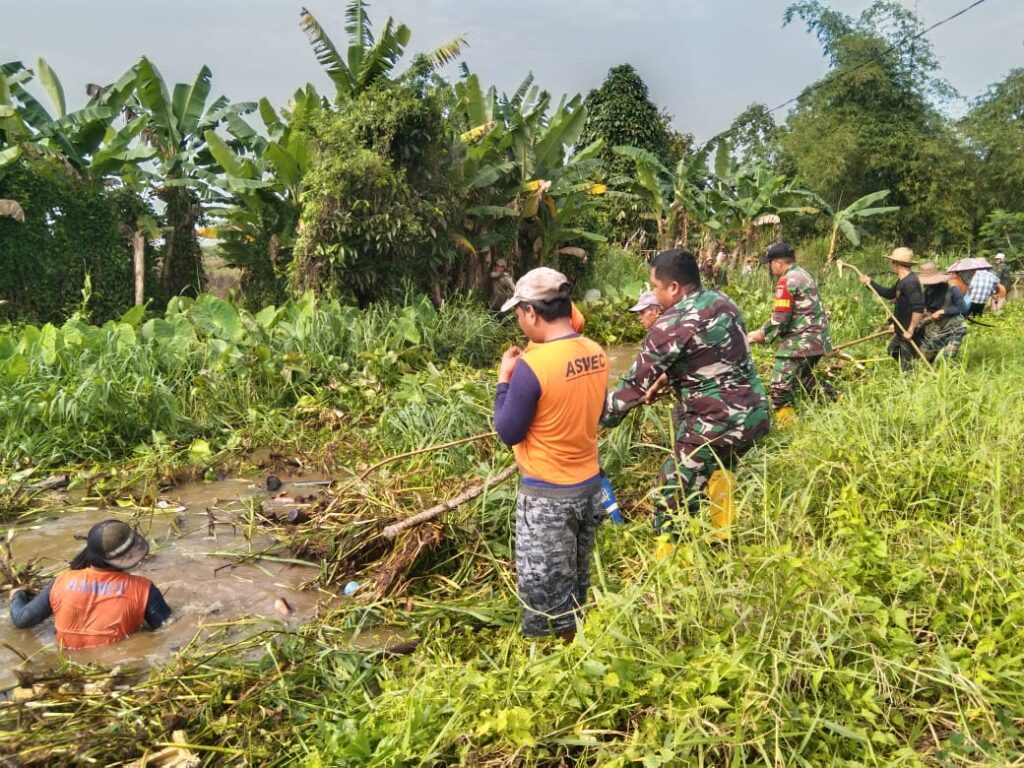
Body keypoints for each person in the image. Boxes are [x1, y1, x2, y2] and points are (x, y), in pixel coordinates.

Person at [602, 249, 770, 554]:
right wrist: (666, 378)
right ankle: (723, 542)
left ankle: (671, 571)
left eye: (655, 286)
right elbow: (718, 355)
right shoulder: (724, 302)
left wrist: (595, 415)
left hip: (715, 425)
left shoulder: (669, 324)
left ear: (674, 288)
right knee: (722, 470)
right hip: (755, 415)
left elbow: (630, 388)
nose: (653, 293)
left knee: (671, 492)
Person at [493, 267, 608, 641]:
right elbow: (600, 411)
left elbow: (508, 432)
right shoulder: (595, 352)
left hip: (547, 499)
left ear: (531, 312)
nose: (519, 321)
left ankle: (551, 666)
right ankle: (577, 647)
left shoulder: (533, 366)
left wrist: (503, 379)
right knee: (575, 579)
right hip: (588, 488)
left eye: (518, 313)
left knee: (543, 594)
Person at [9, 520, 171, 650]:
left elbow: (22, 620)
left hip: (64, 661)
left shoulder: (61, 581)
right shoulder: (144, 589)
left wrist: (17, 595)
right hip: (116, 662)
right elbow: (167, 629)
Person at [746, 242, 833, 425]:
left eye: (770, 263)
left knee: (779, 388)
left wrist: (759, 334)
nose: (770, 267)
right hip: (819, 339)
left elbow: (780, 319)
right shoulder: (804, 274)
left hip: (801, 341)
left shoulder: (786, 281)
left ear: (778, 263)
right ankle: (838, 402)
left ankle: (789, 429)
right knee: (805, 381)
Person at [859, 247, 925, 372]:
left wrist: (910, 330)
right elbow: (889, 293)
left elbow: (918, 308)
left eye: (892, 262)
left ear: (897, 263)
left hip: (909, 332)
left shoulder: (911, 282)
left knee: (906, 368)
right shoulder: (902, 281)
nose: (891, 265)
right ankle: (913, 366)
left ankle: (910, 378)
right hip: (901, 329)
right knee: (892, 350)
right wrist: (869, 283)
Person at [917, 262, 969, 361]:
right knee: (924, 358)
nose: (926, 284)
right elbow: (922, 310)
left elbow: (963, 309)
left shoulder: (953, 290)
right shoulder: (927, 292)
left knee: (947, 357)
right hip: (938, 329)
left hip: (955, 329)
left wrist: (943, 311)